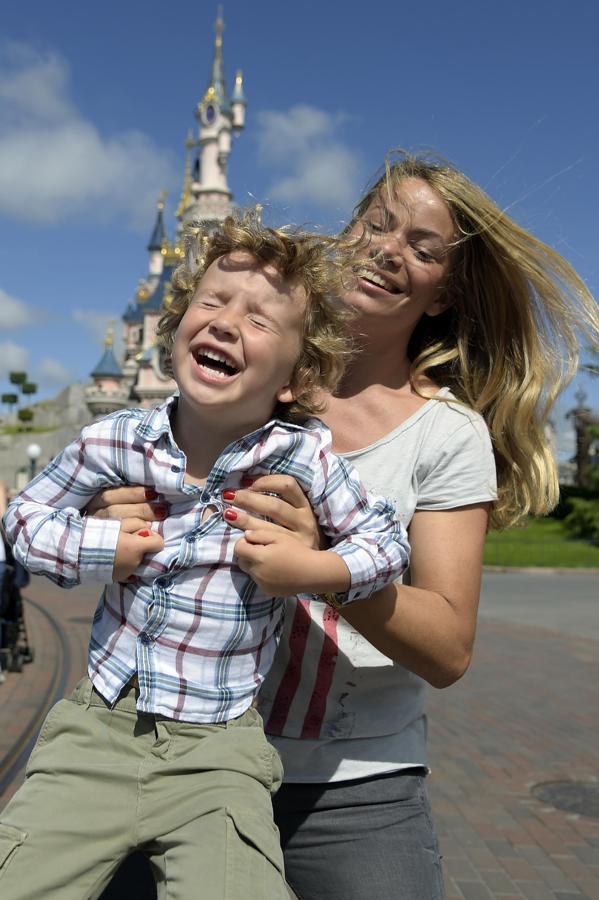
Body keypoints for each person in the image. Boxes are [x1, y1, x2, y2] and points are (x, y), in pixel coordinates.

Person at [89, 150, 599, 900]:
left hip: (349, 785)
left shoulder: (443, 434)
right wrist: (113, 527)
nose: (389, 251)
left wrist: (323, 562)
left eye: (422, 249)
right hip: (175, 755)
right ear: (346, 235)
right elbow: (148, 524)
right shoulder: (250, 383)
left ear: (441, 293)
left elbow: (448, 647)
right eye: (377, 225)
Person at [0, 214, 411, 900]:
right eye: (212, 302)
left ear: (294, 377)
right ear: (173, 331)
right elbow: (21, 521)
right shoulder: (113, 442)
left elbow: (387, 544)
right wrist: (103, 550)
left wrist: (310, 570)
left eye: (258, 318)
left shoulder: (301, 457)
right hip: (98, 728)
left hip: (218, 752)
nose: (225, 321)